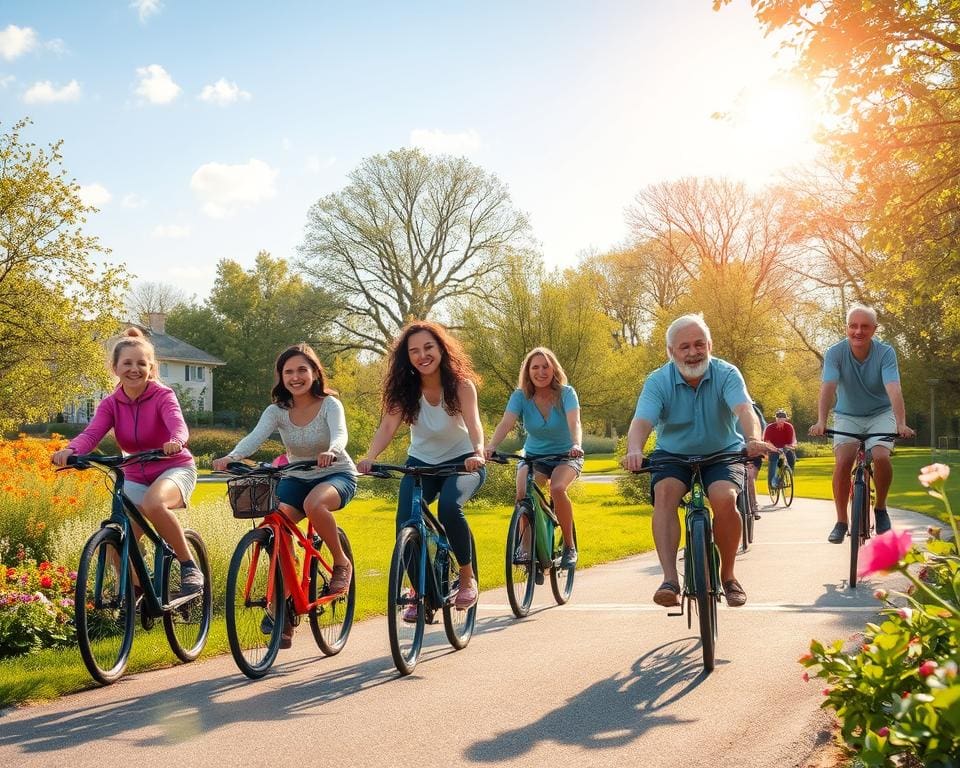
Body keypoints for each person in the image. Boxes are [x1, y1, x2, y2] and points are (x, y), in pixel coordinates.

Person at [213, 343, 357, 648]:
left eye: (302, 370)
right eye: (288, 371)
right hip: (297, 476)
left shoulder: (330, 405)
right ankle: (285, 609)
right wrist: (232, 456)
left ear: (315, 372)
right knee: (274, 525)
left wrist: (332, 450)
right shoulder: (277, 411)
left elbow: (340, 434)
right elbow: (255, 436)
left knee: (314, 504)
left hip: (335, 474)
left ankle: (341, 562)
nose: (295, 377)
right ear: (280, 377)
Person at [621, 314, 770, 608]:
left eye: (699, 344)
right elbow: (641, 421)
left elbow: (744, 409)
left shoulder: (727, 374)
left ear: (710, 345)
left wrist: (753, 438)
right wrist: (634, 449)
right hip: (673, 455)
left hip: (721, 452)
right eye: (684, 346)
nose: (693, 352)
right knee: (664, 493)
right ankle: (669, 580)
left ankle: (728, 576)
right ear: (671, 352)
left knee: (724, 498)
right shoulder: (658, 381)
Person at [51, 328, 202, 594]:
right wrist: (71, 450)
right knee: (116, 542)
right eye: (128, 363)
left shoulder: (163, 396)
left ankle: (188, 565)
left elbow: (178, 425)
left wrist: (176, 441)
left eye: (141, 363)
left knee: (154, 503)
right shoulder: (110, 404)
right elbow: (92, 433)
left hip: (173, 467)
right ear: (115, 367)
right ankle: (137, 593)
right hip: (134, 472)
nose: (135, 369)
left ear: (151, 368)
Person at [356, 320, 485, 613]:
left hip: (463, 463)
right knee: (406, 522)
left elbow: (475, 423)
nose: (422, 355)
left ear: (441, 348)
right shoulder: (406, 390)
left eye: (428, 347)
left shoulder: (462, 385)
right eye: (414, 351)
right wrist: (370, 456)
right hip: (421, 466)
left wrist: (478, 451)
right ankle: (420, 593)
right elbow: (388, 426)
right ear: (407, 357)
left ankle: (467, 578)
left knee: (450, 508)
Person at [809, 305, 915, 543]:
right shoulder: (835, 353)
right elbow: (828, 387)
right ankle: (841, 521)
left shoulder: (885, 353)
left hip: (880, 413)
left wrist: (901, 423)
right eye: (853, 326)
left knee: (880, 456)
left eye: (865, 326)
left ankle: (880, 508)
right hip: (847, 414)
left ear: (874, 329)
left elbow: (893, 387)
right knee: (844, 461)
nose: (858, 331)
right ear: (846, 328)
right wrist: (821, 421)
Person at [484, 347, 584, 567]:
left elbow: (574, 422)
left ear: (553, 369)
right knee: (523, 494)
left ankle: (569, 546)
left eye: (545, 366)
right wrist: (490, 446)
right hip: (534, 457)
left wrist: (576, 444)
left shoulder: (567, 393)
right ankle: (527, 548)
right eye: (535, 367)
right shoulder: (520, 396)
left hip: (566, 455)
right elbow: (506, 422)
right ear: (527, 372)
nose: (541, 372)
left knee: (557, 488)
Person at [764, 409, 797, 490]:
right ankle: (771, 484)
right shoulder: (770, 427)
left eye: (783, 419)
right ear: (776, 419)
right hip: (772, 447)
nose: (780, 421)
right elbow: (767, 441)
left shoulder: (789, 426)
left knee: (791, 459)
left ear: (786, 419)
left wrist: (789, 447)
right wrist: (775, 449)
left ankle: (783, 478)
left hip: (785, 447)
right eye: (779, 419)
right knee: (773, 462)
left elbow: (790, 441)